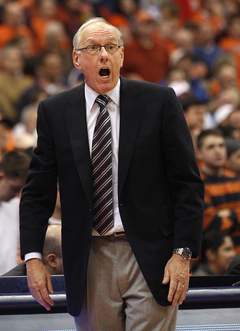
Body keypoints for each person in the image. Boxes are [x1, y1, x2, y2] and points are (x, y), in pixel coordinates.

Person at [20, 17, 204, 331]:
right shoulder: (54, 111)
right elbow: (38, 191)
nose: (104, 54)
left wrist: (182, 253)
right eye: (93, 48)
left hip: (150, 253)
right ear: (77, 59)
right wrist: (33, 257)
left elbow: (187, 184)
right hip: (89, 254)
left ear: (121, 56)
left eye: (111, 47)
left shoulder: (158, 102)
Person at [196, 129, 240, 253]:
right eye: (210, 147)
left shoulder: (236, 179)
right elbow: (212, 225)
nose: (217, 151)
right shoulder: (197, 184)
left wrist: (228, 214)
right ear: (199, 153)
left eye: (221, 145)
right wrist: (236, 215)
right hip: (215, 259)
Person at [0, 150, 30, 275]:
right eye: (15, 188)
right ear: (1, 177)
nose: (17, 195)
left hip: (9, 282)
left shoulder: (15, 207)